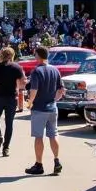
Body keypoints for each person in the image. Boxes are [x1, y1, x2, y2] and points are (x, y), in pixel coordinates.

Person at [25, 48, 64, 176]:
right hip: (52, 108)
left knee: (38, 136)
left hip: (39, 108)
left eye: (35, 54)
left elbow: (34, 89)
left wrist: (30, 102)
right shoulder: (55, 70)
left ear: (38, 56)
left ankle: (39, 164)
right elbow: (61, 89)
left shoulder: (37, 71)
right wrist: (54, 100)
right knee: (53, 135)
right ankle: (56, 161)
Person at [0, 47, 25, 156]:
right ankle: (6, 148)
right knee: (9, 123)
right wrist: (17, 88)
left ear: (1, 55)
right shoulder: (17, 67)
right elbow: (23, 82)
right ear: (12, 55)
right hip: (11, 98)